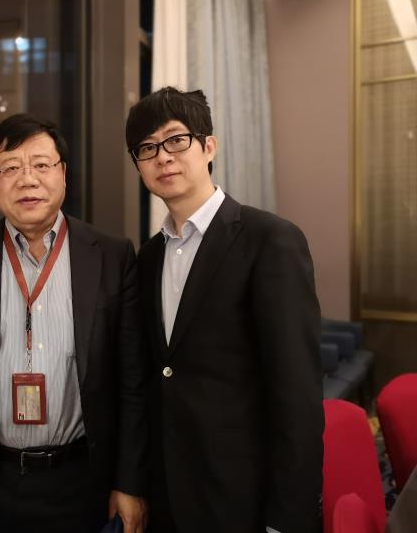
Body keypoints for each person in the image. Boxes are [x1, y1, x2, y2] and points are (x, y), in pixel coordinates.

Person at [126, 87, 324, 533]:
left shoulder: (269, 240)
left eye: (176, 140)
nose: (163, 157)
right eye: (147, 148)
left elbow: (297, 394)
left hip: (244, 498)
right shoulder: (149, 257)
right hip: (169, 495)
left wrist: (288, 517)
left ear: (208, 146)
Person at [0, 114, 150, 533]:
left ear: (63, 174)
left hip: (82, 478)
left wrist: (129, 483)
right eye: (10, 167)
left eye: (41, 165)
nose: (27, 180)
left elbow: (133, 381)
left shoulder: (112, 256)